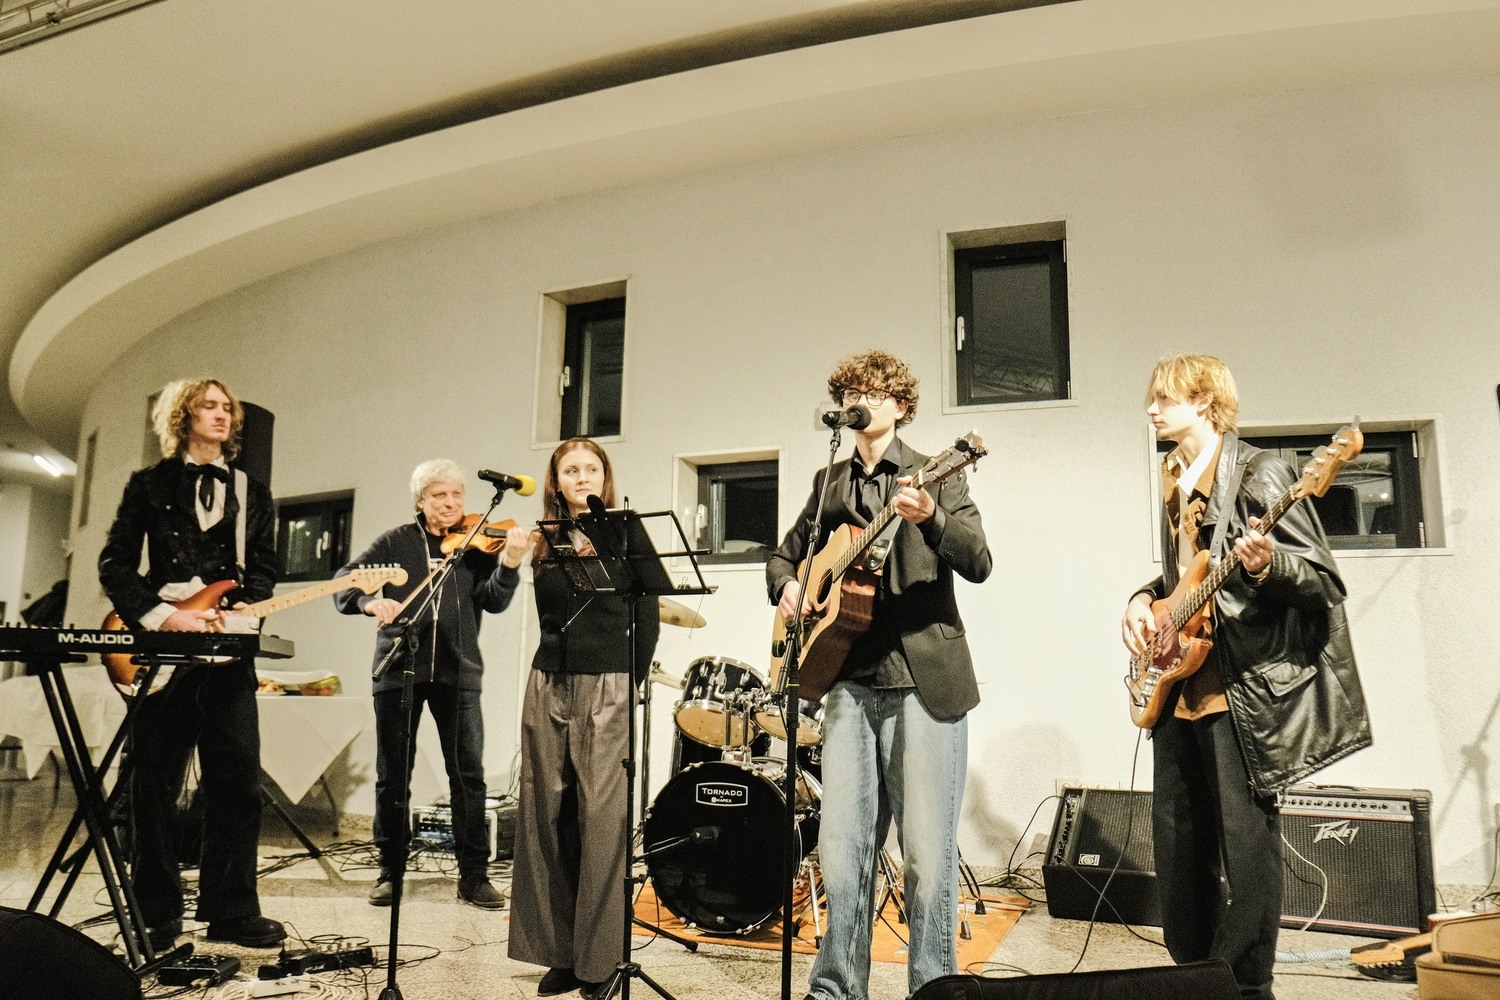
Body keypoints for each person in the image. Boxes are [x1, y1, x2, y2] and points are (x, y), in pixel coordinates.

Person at [1121, 354, 1372, 1000]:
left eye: (1164, 399)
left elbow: (1323, 580)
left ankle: (1246, 987)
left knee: (1247, 849)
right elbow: (1187, 577)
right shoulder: (1174, 477)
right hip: (1180, 691)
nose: (1151, 409)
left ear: (1205, 403)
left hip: (1241, 695)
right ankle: (1195, 979)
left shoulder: (1265, 474)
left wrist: (1265, 567)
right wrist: (1141, 600)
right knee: (1178, 853)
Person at [767, 349, 992, 1000]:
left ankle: (934, 989)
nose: (857, 401)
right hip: (846, 684)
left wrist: (932, 519)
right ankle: (835, 990)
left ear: (900, 406)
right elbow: (785, 558)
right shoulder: (830, 482)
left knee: (926, 857)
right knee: (843, 855)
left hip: (923, 684)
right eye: (849, 393)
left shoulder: (935, 472)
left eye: (871, 392)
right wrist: (789, 587)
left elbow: (979, 560)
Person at [97, 377, 285, 952]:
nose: (222, 415)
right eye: (209, 406)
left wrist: (248, 606)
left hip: (228, 654)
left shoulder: (253, 491)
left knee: (238, 782)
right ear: (183, 416)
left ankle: (232, 911)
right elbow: (115, 562)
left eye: (228, 408)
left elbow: (264, 567)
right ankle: (155, 912)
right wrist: (162, 614)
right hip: (163, 650)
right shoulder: (148, 484)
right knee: (152, 782)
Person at [334, 459, 526, 910]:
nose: (451, 502)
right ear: (420, 501)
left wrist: (511, 564)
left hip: (459, 672)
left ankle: (474, 876)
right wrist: (369, 603)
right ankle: (390, 871)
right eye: (440, 495)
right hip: (399, 668)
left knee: (468, 776)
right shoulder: (396, 542)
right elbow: (345, 581)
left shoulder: (478, 546)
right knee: (392, 776)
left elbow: (493, 601)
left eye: (457, 494)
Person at [508, 438, 660, 999]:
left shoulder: (626, 530)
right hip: (549, 678)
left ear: (604, 475)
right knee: (545, 814)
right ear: (557, 479)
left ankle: (599, 962)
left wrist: (633, 679)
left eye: (591, 468)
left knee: (601, 818)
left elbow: (649, 611)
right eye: (571, 469)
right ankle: (558, 953)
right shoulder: (544, 537)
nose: (582, 477)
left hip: (608, 679)